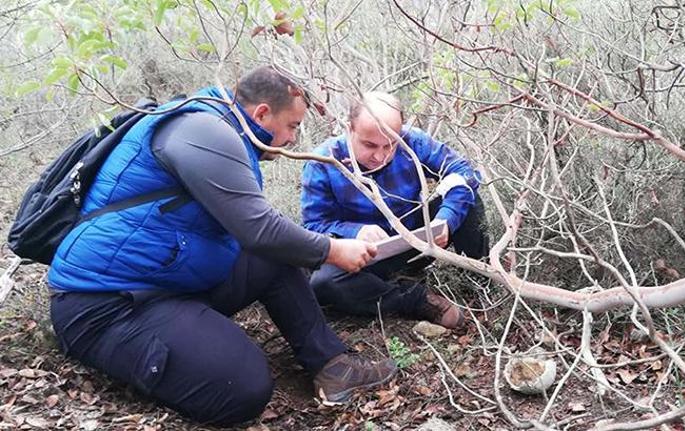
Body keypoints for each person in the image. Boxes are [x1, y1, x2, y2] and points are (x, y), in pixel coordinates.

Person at [46, 67, 397, 426]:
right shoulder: (201, 131)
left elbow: (260, 235)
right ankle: (126, 350)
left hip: (168, 283)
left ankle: (331, 366)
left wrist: (318, 248)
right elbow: (257, 228)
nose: (293, 138)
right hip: (106, 305)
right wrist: (333, 250)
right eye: (292, 125)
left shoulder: (218, 126)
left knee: (273, 257)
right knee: (243, 390)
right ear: (261, 113)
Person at [300, 92, 488, 329]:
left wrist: (446, 219)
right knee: (325, 283)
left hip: (416, 240)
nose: (380, 156)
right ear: (349, 129)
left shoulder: (412, 141)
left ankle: (480, 280)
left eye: (390, 145)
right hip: (363, 257)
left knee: (467, 198)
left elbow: (463, 172)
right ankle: (416, 300)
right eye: (369, 145)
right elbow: (314, 227)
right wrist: (355, 231)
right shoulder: (322, 163)